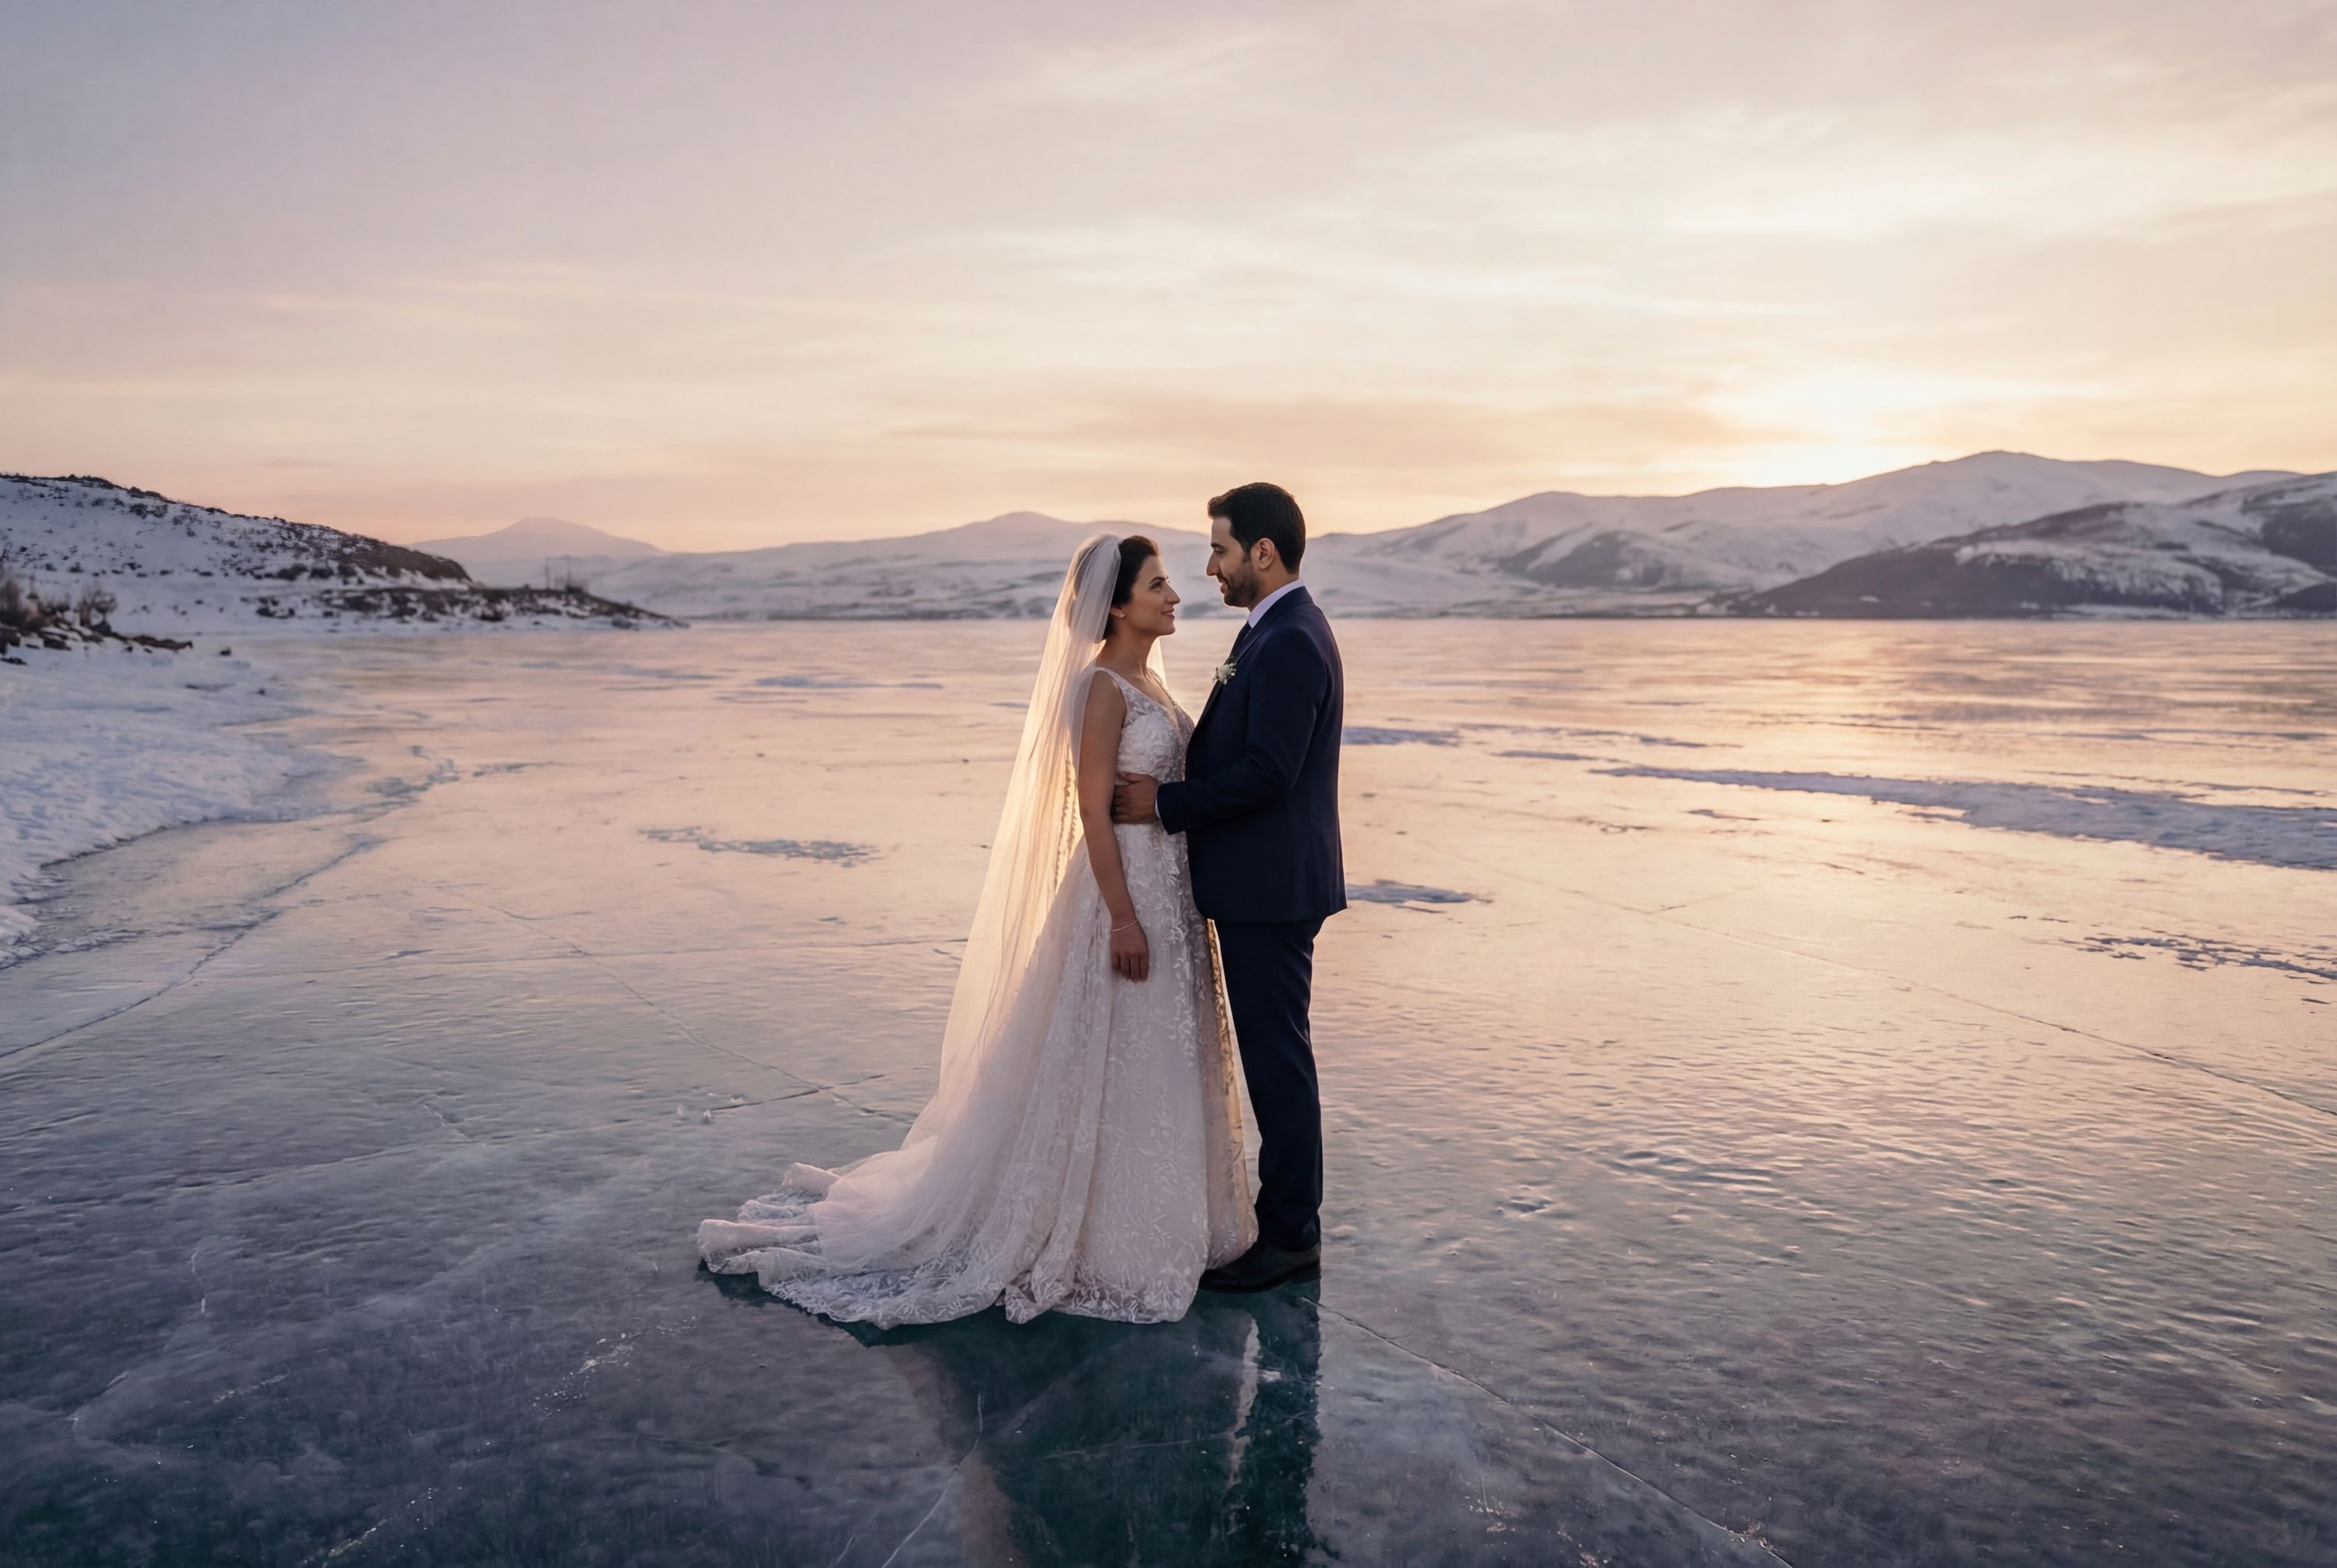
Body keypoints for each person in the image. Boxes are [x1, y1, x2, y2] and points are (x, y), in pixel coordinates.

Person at [698, 534, 1254, 1326]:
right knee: (1111, 1054)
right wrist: (1124, 916)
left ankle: (1167, 1217)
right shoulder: (1101, 688)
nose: (1175, 596)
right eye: (1159, 584)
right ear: (1118, 604)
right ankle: (1099, 1234)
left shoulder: (1149, 682)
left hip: (1171, 892)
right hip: (1122, 895)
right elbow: (1090, 814)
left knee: (1160, 1056)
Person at [1114, 482, 1345, 1293]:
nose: (1208, 568)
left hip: (1271, 890)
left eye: (1217, 550)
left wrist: (1165, 804)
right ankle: (1288, 1225)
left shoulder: (1286, 640)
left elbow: (1269, 773)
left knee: (1278, 1063)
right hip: (1264, 885)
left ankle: (1290, 1236)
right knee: (1277, 1058)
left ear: (1262, 553)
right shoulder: (1274, 630)